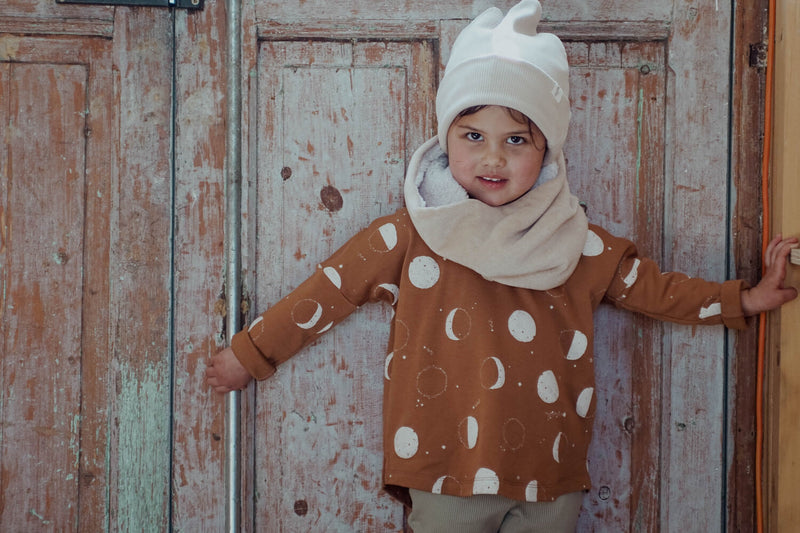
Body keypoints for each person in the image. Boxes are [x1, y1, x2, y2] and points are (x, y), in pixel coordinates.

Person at [206, 1, 798, 531]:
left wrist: (745, 299)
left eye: (517, 139)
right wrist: (250, 354)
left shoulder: (576, 243)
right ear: (447, 139)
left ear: (546, 151)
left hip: (550, 474)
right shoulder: (413, 234)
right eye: (473, 135)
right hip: (445, 472)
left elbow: (657, 291)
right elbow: (327, 290)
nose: (492, 156)